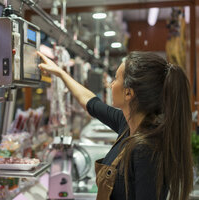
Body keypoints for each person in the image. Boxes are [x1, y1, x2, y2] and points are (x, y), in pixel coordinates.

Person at [37, 51, 193, 200]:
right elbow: (91, 102)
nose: (110, 84)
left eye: (116, 79)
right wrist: (60, 73)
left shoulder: (146, 149)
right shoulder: (128, 124)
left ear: (128, 93)